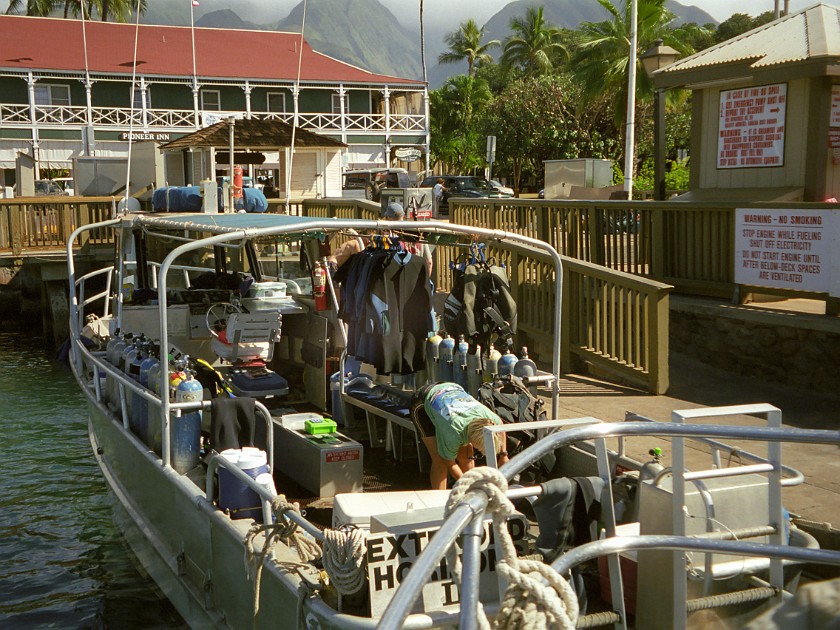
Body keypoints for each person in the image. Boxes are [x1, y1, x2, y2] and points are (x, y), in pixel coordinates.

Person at [410, 382, 509, 489]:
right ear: (471, 438)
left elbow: (501, 427)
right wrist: (468, 485)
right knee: (439, 460)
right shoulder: (454, 433)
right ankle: (438, 499)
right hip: (422, 402)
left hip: (451, 389)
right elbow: (450, 464)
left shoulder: (492, 419)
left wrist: (503, 454)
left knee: (467, 457)